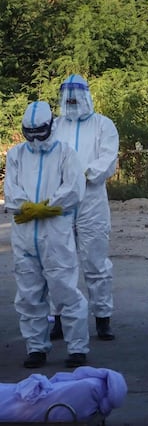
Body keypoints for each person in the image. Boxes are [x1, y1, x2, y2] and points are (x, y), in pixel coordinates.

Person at [5, 101, 89, 368]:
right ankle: (36, 348)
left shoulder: (65, 152)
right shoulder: (16, 154)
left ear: (50, 126)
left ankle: (77, 348)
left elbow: (74, 187)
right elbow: (11, 190)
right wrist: (26, 206)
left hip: (55, 232)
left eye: (40, 132)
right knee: (29, 294)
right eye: (29, 133)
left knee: (65, 290)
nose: (35, 139)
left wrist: (50, 204)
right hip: (25, 233)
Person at [49, 74, 119, 341]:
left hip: (91, 199)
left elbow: (107, 159)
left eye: (77, 97)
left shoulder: (103, 125)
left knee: (95, 260)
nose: (72, 102)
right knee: (59, 262)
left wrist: (81, 175)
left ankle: (102, 318)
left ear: (87, 97)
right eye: (68, 97)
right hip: (62, 199)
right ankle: (60, 317)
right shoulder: (55, 126)